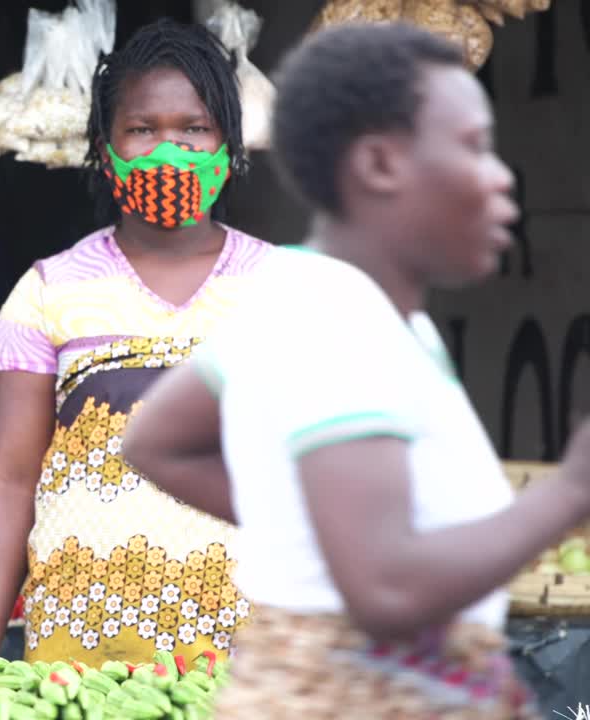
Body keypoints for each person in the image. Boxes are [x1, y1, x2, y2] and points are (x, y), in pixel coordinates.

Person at [122, 22, 590, 718]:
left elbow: (155, 442)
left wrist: (305, 530)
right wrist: (569, 491)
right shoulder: (334, 321)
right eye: (472, 147)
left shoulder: (329, 302)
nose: (502, 176)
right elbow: (389, 592)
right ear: (378, 166)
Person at [0, 18, 273, 666]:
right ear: (105, 153)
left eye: (194, 129)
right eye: (143, 130)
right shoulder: (47, 292)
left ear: (230, 146)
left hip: (251, 659)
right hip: (76, 664)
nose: (170, 151)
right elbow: (7, 481)